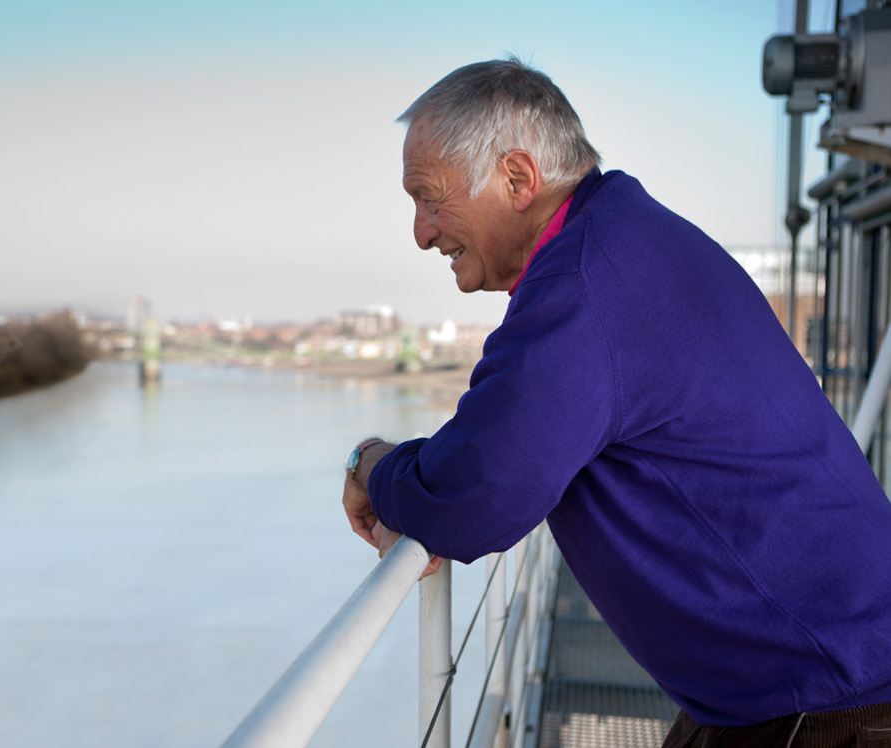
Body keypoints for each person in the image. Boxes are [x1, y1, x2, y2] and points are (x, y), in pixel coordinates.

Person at [340, 57, 891, 747]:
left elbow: (470, 498)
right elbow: (489, 451)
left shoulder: (585, 282)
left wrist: (369, 462)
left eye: (429, 198)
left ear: (517, 178)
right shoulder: (621, 238)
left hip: (833, 698)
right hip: (792, 681)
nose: (421, 232)